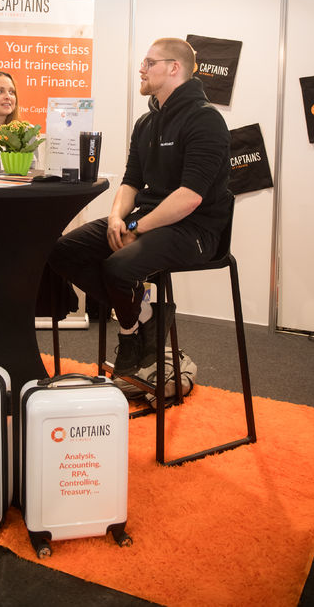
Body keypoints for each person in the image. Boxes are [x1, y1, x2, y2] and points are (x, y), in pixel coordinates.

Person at [48, 37, 231, 376]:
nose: (141, 69)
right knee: (61, 252)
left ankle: (131, 332)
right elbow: (131, 182)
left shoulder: (206, 120)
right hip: (147, 220)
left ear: (174, 68)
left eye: (149, 63)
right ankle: (143, 319)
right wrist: (117, 218)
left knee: (117, 267)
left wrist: (135, 227)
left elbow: (190, 197)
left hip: (195, 229)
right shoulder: (146, 123)